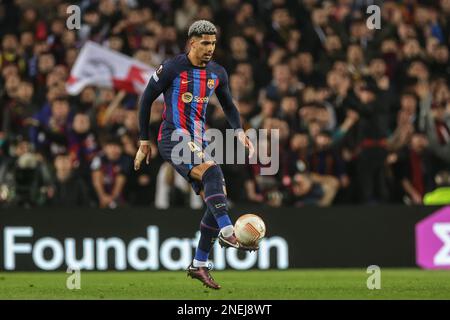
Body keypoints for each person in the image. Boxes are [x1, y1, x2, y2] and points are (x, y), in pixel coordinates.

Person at [134, 20, 256, 290]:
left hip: (198, 140)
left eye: (213, 43)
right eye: (204, 43)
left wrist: (239, 131)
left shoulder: (218, 73)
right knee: (213, 173)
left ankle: (199, 263)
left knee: (217, 198)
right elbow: (146, 99)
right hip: (173, 136)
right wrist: (144, 140)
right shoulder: (173, 67)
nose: (210, 48)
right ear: (192, 42)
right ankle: (227, 232)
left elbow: (228, 104)